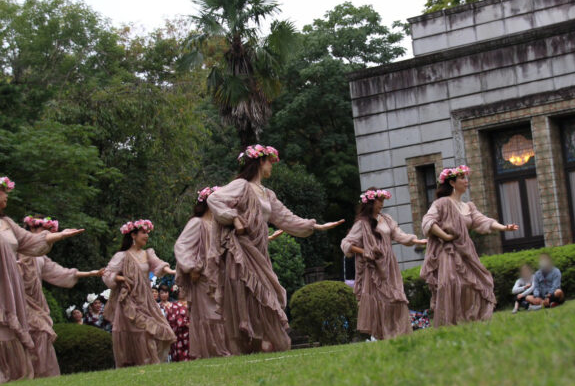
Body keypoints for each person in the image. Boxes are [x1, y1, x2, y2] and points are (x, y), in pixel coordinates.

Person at [206, 144, 344, 354]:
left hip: (259, 253)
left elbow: (285, 218)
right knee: (251, 297)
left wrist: (314, 225)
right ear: (260, 161)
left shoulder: (267, 194)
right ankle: (254, 344)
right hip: (242, 253)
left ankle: (264, 343)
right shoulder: (241, 186)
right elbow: (214, 199)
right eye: (270, 161)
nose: (272, 166)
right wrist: (234, 218)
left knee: (268, 295)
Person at [0, 176, 84, 386]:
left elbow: (29, 242)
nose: (7, 198)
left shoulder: (7, 223)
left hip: (9, 285)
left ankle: (9, 374)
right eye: (4, 193)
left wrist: (59, 236)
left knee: (10, 328)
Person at [420, 165, 519, 327]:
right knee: (452, 285)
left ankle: (468, 319)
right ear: (452, 182)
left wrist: (503, 227)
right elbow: (427, 222)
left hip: (466, 252)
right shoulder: (442, 203)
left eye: (466, 178)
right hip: (448, 253)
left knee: (474, 285)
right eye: (462, 178)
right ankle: (449, 323)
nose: (466, 182)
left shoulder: (468, 206)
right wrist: (445, 236)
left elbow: (482, 221)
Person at [17, 215, 105, 378]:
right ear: (32, 230)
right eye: (43, 232)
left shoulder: (41, 258)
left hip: (36, 302)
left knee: (42, 333)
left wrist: (90, 273)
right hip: (17, 300)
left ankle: (39, 374)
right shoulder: (17, 250)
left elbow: (59, 272)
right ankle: (22, 373)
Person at [341, 188, 427, 340]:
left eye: (382, 201)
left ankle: (400, 333)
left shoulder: (386, 219)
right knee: (382, 301)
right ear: (370, 203)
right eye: (378, 201)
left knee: (397, 298)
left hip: (389, 265)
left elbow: (399, 235)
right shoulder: (362, 223)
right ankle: (385, 334)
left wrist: (416, 240)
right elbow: (346, 244)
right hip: (374, 268)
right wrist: (364, 251)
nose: (381, 204)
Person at [102, 219, 177, 367]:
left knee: (159, 329)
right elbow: (107, 274)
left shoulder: (148, 253)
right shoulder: (122, 256)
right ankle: (136, 364)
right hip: (129, 301)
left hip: (146, 300)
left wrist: (172, 271)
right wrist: (122, 278)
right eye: (143, 232)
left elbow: (159, 265)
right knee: (139, 332)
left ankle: (149, 363)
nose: (146, 236)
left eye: (147, 233)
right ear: (133, 235)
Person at [173, 186, 231, 359]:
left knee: (221, 313)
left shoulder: (218, 225)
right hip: (203, 278)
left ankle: (224, 350)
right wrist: (192, 267)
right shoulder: (197, 223)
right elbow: (182, 246)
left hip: (219, 275)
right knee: (209, 315)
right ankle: (211, 352)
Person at [164, 288, 191, 362]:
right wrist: (184, 323)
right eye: (181, 291)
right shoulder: (173, 305)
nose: (183, 292)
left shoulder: (191, 303)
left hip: (191, 331)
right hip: (179, 333)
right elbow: (171, 318)